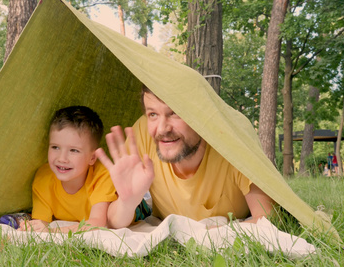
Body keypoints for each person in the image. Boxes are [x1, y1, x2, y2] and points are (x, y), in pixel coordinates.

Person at [96, 86, 275, 229]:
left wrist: (220, 234)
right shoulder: (142, 133)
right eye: (153, 114)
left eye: (175, 113)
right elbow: (113, 221)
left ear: (201, 115)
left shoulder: (232, 139)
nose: (162, 129)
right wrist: (128, 202)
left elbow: (267, 219)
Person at [18, 106, 117, 233]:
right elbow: (41, 223)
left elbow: (98, 223)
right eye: (55, 147)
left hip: (133, 207)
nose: (62, 158)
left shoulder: (103, 174)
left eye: (74, 150)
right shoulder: (43, 178)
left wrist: (52, 232)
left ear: (92, 158)